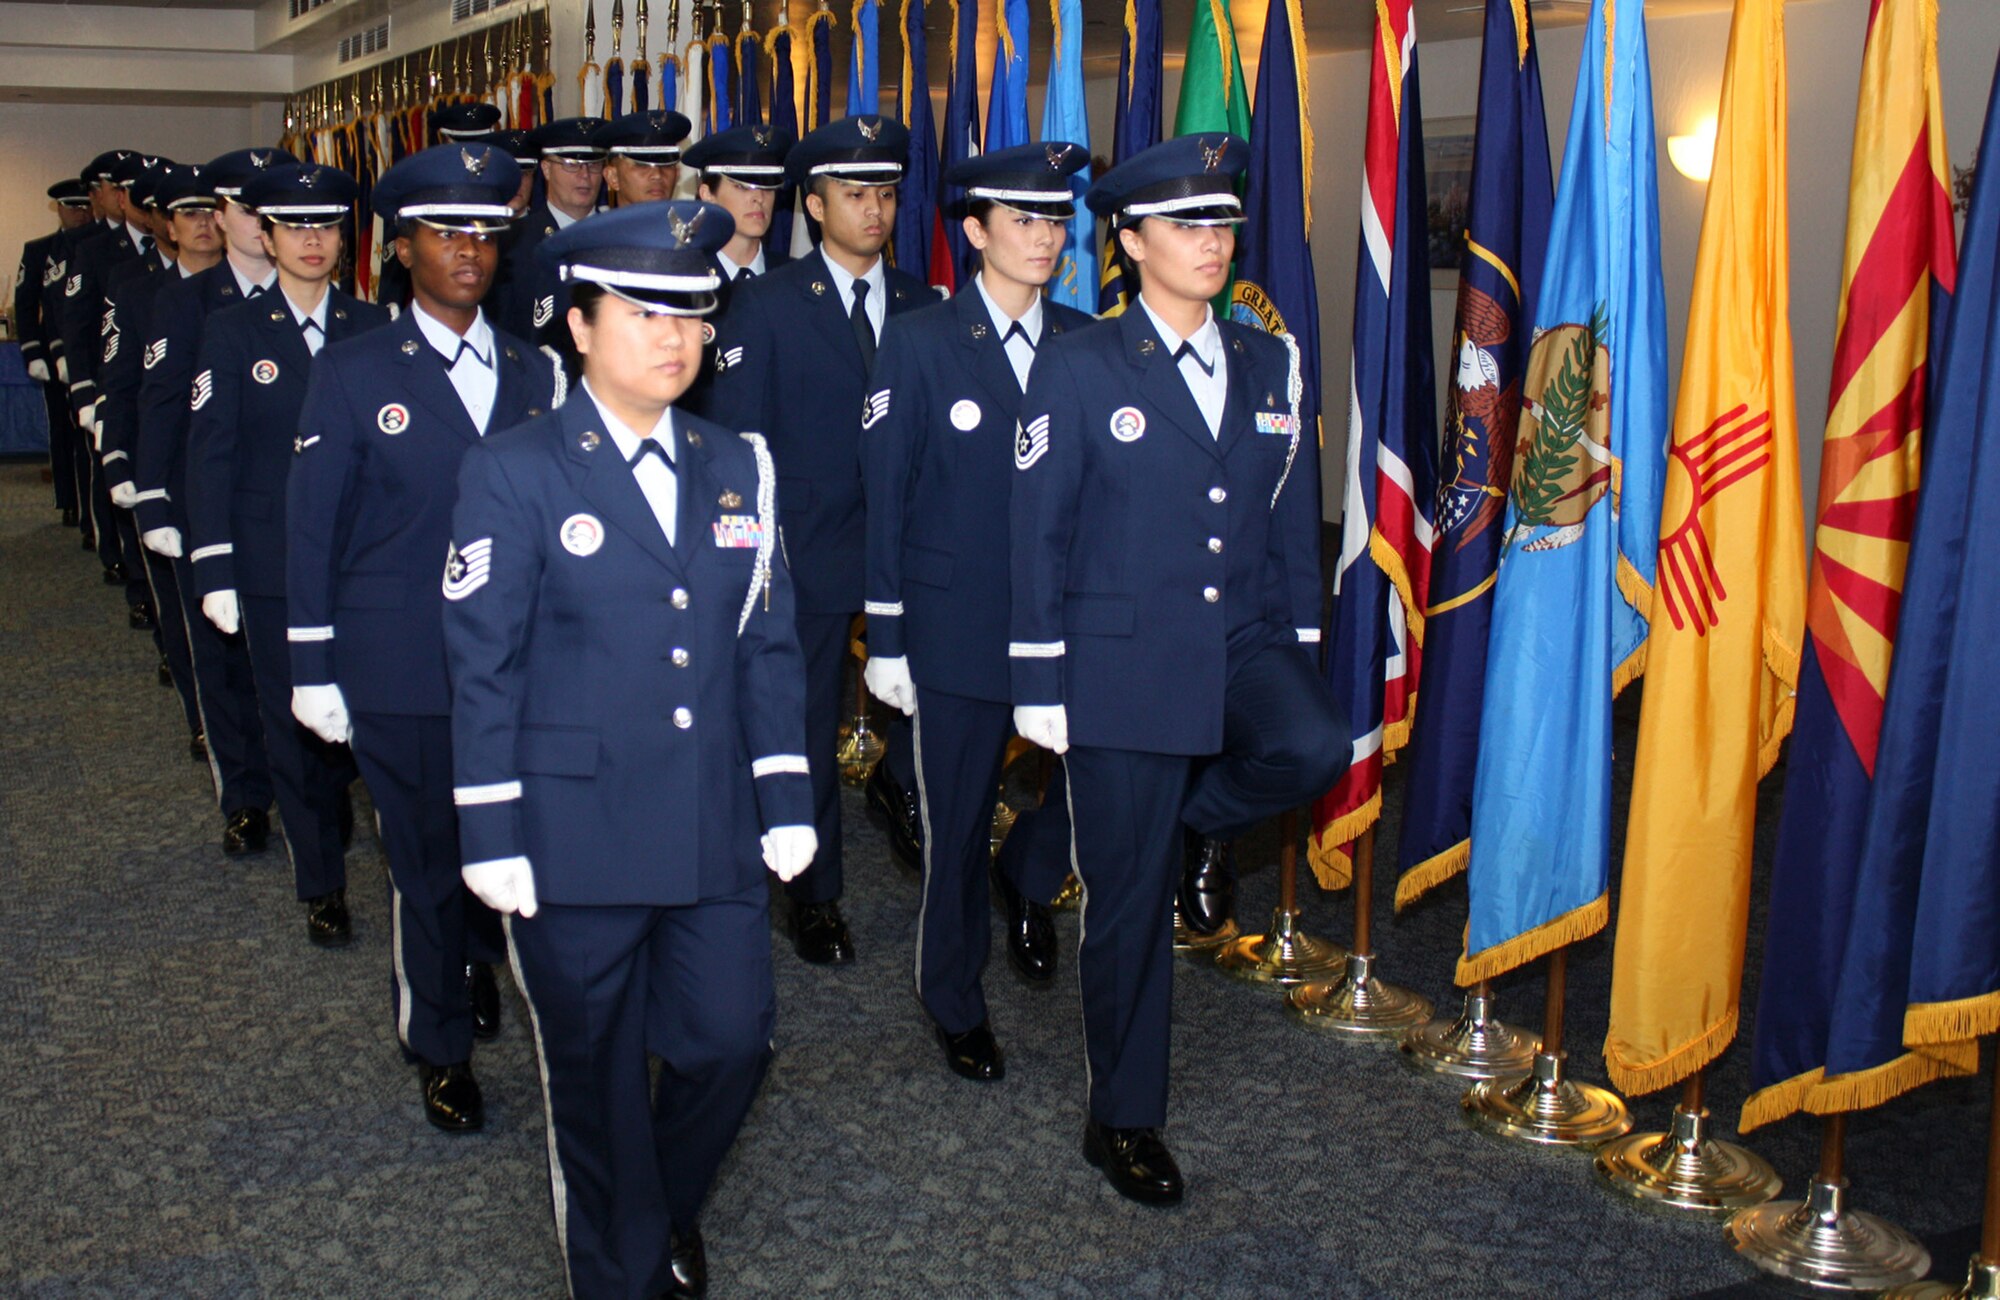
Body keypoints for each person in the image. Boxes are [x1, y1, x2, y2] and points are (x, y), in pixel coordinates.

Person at [443, 198, 815, 1300]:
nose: (675, 338)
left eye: (694, 316)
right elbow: (483, 660)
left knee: (728, 1043)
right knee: (597, 1086)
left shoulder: (737, 461)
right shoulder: (513, 471)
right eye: (645, 311)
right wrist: (491, 826)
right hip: (571, 836)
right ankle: (623, 1265)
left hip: (708, 823)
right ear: (577, 323)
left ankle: (653, 1204)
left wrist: (785, 795)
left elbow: (766, 639)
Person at [1008, 133, 1345, 1205]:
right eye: (1186, 224)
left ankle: (1200, 817)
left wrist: (1296, 648)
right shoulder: (1076, 365)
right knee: (1130, 901)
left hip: (1240, 635)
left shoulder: (1268, 359)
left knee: (1311, 746)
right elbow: (1037, 530)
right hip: (1119, 657)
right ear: (1129, 240)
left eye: (1221, 222)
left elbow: (1289, 511)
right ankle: (1123, 1117)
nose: (1212, 242)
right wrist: (1037, 677)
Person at [285, 142, 562, 1134]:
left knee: (516, 842)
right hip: (401, 662)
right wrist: (312, 661)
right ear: (402, 248)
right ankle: (438, 1037)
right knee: (426, 858)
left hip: (519, 668)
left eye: (486, 232)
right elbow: (313, 524)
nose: (469, 251)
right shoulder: (356, 372)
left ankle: (478, 964)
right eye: (446, 231)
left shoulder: (537, 373)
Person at [859, 142, 1093, 1082]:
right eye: (1025, 220)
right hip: (955, 627)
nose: (1045, 238)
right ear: (976, 231)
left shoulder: (1086, 340)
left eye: (1056, 220)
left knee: (1089, 793)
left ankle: (1030, 871)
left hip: (1065, 623)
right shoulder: (919, 342)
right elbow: (888, 491)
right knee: (954, 825)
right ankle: (954, 997)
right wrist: (887, 635)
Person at [698, 114, 936, 965]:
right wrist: (745, 565)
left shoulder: (922, 304)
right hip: (804, 551)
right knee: (803, 727)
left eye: (885, 193)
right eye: (853, 193)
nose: (873, 210)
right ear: (814, 202)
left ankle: (915, 821)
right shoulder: (763, 306)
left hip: (908, 549)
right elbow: (738, 446)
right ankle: (814, 893)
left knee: (933, 710)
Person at [185, 163, 390, 948]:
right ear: (265, 237)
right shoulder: (235, 332)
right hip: (273, 567)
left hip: (365, 567)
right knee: (292, 725)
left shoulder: (374, 327)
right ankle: (323, 884)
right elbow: (213, 452)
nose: (312, 240)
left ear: (343, 237)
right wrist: (214, 565)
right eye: (295, 227)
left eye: (327, 226)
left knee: (372, 724)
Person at [133, 147, 293, 858]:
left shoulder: (313, 298)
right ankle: (247, 796)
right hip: (213, 507)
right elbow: (162, 406)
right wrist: (156, 505)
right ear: (221, 216)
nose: (258, 222)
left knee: (294, 658)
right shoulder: (187, 302)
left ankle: (307, 790)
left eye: (270, 209)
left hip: (293, 511)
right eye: (243, 207)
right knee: (224, 660)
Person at [97, 162, 214, 742]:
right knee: (187, 618)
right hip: (168, 474)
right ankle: (205, 726)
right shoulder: (141, 292)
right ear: (167, 225)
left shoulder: (256, 292)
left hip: (232, 479)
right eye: (189, 213)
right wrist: (123, 464)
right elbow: (124, 384)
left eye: (213, 211)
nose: (204, 223)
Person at [493, 116, 608, 353]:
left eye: (593, 164)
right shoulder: (512, 243)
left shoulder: (620, 240)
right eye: (570, 164)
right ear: (546, 169)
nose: (584, 175)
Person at [16, 177, 93, 527]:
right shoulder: (40, 251)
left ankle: (94, 502)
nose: (79, 213)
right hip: (53, 355)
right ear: (58, 209)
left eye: (84, 206)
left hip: (92, 354)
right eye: (71, 206)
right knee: (63, 430)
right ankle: (69, 499)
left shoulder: (103, 247)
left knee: (90, 434)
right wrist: (33, 352)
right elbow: (26, 304)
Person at [595, 109, 689, 208]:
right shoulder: (594, 224)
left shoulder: (694, 223)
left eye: (666, 164)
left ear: (677, 174)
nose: (657, 175)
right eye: (641, 165)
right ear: (613, 177)